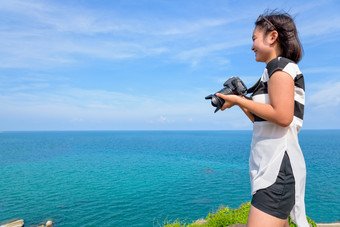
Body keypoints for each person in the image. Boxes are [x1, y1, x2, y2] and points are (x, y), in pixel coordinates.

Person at [216, 11, 309, 227]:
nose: (252, 46)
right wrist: (239, 100)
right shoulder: (270, 73)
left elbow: (283, 117)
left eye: (254, 39)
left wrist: (240, 101)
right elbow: (264, 120)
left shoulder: (280, 68)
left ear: (272, 37)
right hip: (270, 169)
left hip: (277, 170)